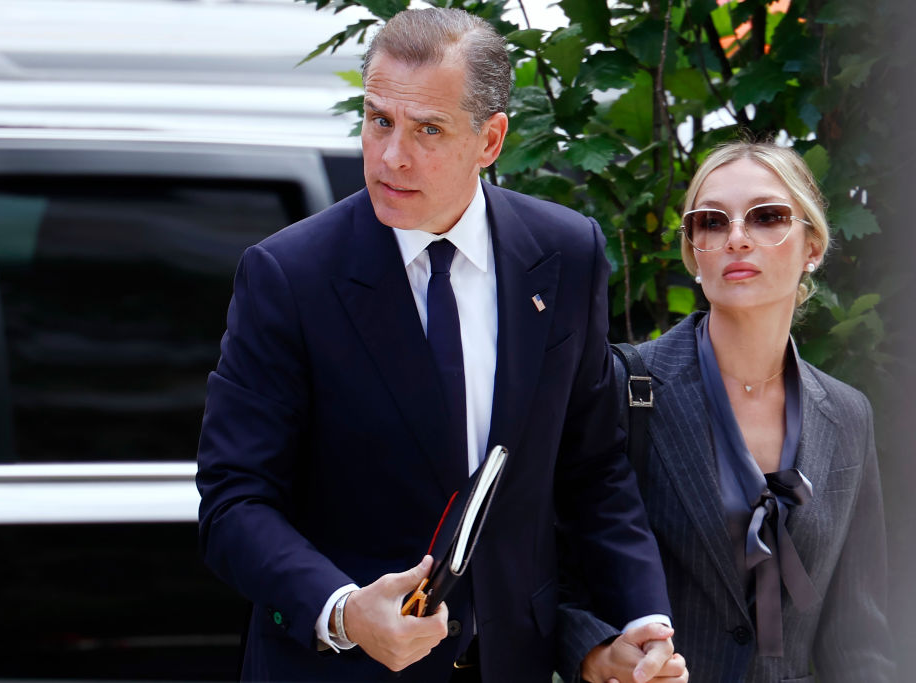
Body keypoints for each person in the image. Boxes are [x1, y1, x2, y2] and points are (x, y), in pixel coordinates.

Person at [197, 8, 686, 682]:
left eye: (428, 129)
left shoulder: (567, 252)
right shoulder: (289, 275)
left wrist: (640, 620)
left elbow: (593, 468)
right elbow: (234, 502)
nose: (393, 155)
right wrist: (343, 611)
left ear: (491, 140)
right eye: (379, 120)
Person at [590, 141, 895, 681]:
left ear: (812, 247)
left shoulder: (849, 415)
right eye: (710, 222)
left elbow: (859, 637)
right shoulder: (625, 386)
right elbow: (555, 569)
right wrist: (596, 653)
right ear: (692, 252)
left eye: (768, 216)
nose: (735, 237)